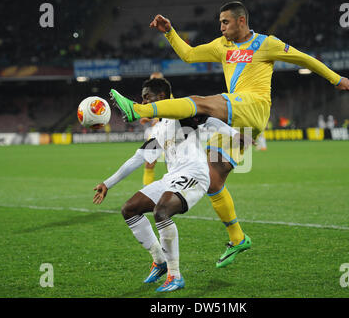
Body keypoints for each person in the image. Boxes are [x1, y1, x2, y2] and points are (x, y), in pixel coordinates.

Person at [109, 1, 349, 268]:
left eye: (225, 22)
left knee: (199, 103)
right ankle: (238, 238)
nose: (221, 27)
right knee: (212, 178)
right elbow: (189, 55)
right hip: (238, 121)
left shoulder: (266, 44)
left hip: (254, 107)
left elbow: (303, 58)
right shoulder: (221, 46)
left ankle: (136, 108)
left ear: (241, 21)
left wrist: (335, 78)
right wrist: (170, 32)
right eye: (220, 22)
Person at [93, 78, 244, 292]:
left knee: (161, 211)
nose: (143, 102)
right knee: (130, 209)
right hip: (172, 177)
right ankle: (160, 261)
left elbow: (208, 121)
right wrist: (107, 183)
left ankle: (175, 275)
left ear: (161, 97)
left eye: (147, 97)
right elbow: (138, 159)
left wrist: (235, 134)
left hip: (195, 174)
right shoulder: (159, 128)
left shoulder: (180, 112)